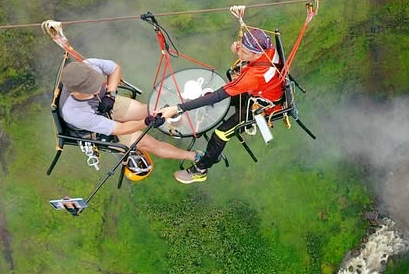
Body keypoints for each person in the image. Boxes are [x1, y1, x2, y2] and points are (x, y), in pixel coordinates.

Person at [158, 28, 284, 184]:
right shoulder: (266, 45)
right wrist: (238, 46)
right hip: (263, 90)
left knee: (220, 134)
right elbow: (245, 46)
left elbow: (219, 95)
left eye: (244, 52)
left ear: (257, 55)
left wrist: (178, 108)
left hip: (259, 106)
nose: (239, 54)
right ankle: (193, 112)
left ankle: (201, 170)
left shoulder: (252, 76)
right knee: (211, 98)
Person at [59, 58, 198, 162]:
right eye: (90, 89)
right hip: (93, 129)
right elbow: (120, 129)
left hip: (106, 102)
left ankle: (184, 124)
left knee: (151, 110)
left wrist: (110, 94)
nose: (97, 87)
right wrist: (145, 122)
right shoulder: (74, 113)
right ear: (73, 92)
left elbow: (115, 69)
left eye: (96, 82)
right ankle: (193, 156)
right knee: (149, 143)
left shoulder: (88, 65)